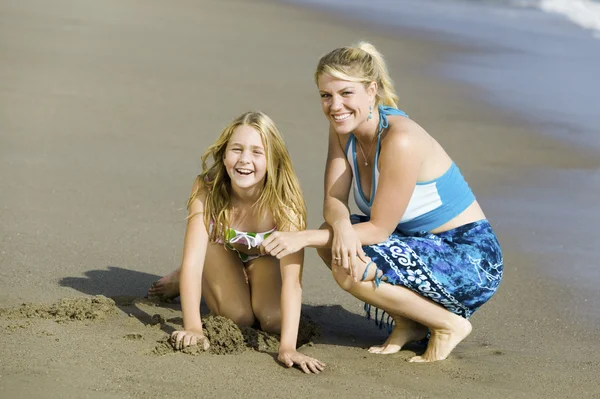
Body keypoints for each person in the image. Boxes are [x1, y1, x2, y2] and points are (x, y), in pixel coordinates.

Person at [260, 42, 503, 363]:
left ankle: (447, 325)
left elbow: (378, 230)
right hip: (417, 243)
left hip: (468, 259)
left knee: (349, 265)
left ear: (371, 90)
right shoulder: (342, 130)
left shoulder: (400, 139)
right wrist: (342, 225)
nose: (335, 106)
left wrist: (301, 238)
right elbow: (333, 199)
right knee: (331, 241)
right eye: (326, 95)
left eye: (346, 94)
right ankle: (410, 322)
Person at [148, 111, 325, 374]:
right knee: (238, 317)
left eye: (257, 152)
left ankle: (241, 278)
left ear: (273, 159)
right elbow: (193, 263)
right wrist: (193, 327)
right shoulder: (207, 188)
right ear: (224, 154)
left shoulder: (285, 202)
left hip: (263, 258)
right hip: (218, 251)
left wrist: (287, 347)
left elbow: (292, 281)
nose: (244, 160)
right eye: (237, 150)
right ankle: (184, 278)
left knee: (273, 320)